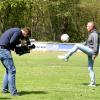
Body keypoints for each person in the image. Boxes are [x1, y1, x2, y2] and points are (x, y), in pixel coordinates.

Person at [58, 21, 99, 87]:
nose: (87, 27)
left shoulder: (94, 34)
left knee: (77, 45)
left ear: (92, 27)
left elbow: (96, 44)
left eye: (88, 26)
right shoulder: (91, 33)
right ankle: (93, 83)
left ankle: (66, 57)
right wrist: (80, 45)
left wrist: (95, 54)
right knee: (90, 68)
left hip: (92, 51)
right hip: (91, 51)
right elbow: (86, 43)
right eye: (87, 26)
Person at [0, 27, 31, 96]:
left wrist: (15, 48)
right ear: (25, 33)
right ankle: (13, 92)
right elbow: (12, 41)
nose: (25, 38)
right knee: (12, 70)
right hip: (4, 50)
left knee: (8, 70)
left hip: (2, 48)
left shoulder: (15, 30)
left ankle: (4, 89)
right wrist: (21, 42)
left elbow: (11, 42)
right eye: (26, 36)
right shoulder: (18, 32)